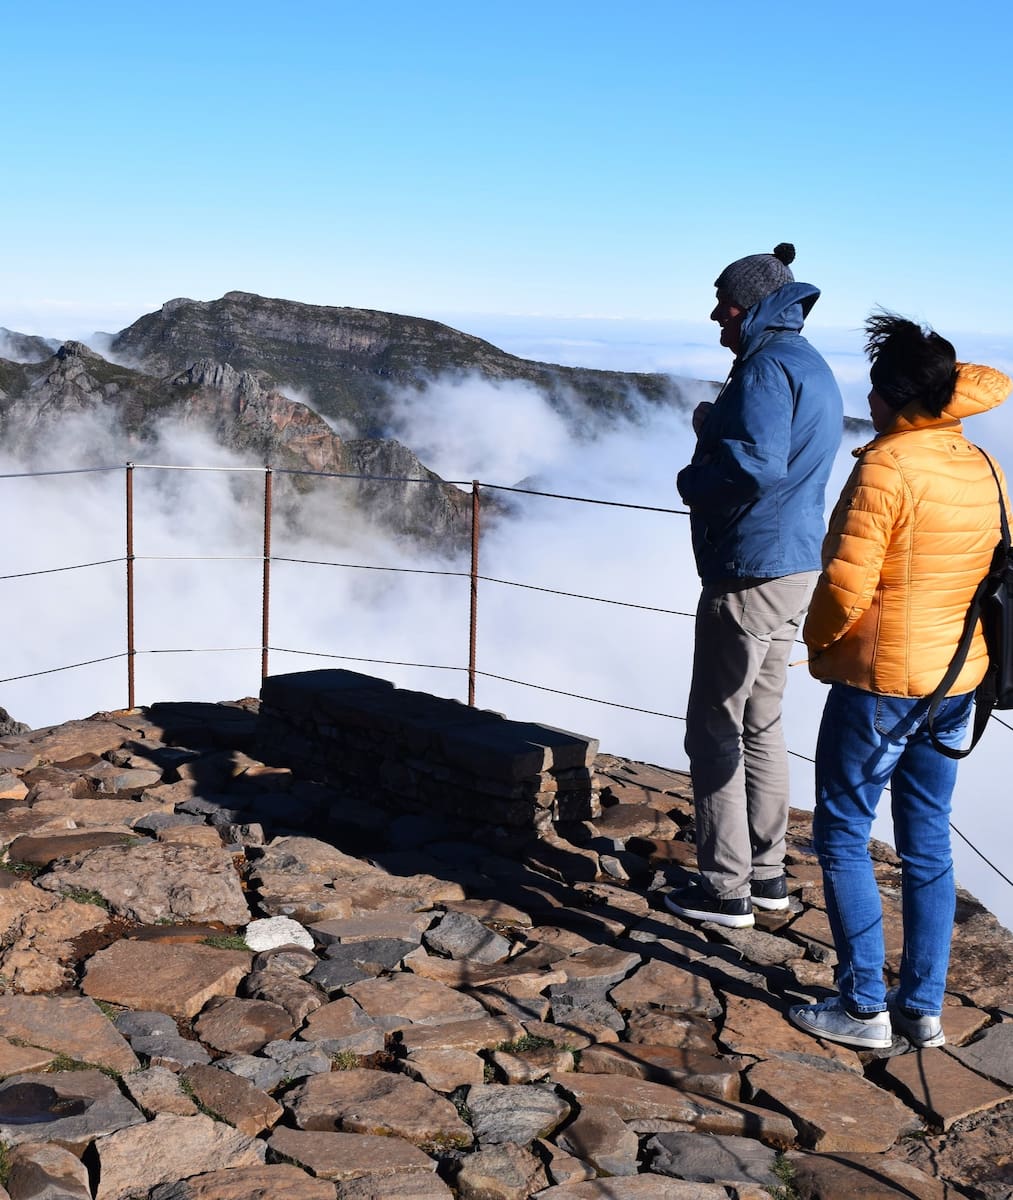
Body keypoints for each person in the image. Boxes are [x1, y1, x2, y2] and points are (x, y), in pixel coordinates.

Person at [790, 313, 1011, 1049]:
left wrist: (816, 643)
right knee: (927, 844)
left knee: (844, 833)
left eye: (874, 392)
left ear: (891, 397)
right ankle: (921, 1009)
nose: (868, 403)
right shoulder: (979, 461)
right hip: (957, 677)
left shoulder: (885, 466)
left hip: (882, 681)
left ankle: (861, 1008)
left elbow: (845, 587)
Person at [666, 243, 843, 928]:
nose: (715, 316)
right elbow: (779, 452)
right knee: (760, 719)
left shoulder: (765, 368)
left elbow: (757, 466)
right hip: (796, 562)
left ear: (745, 306)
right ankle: (766, 875)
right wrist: (718, 429)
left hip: (749, 568)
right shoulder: (808, 363)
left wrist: (693, 477)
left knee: (713, 725)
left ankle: (724, 888)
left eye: (721, 304)